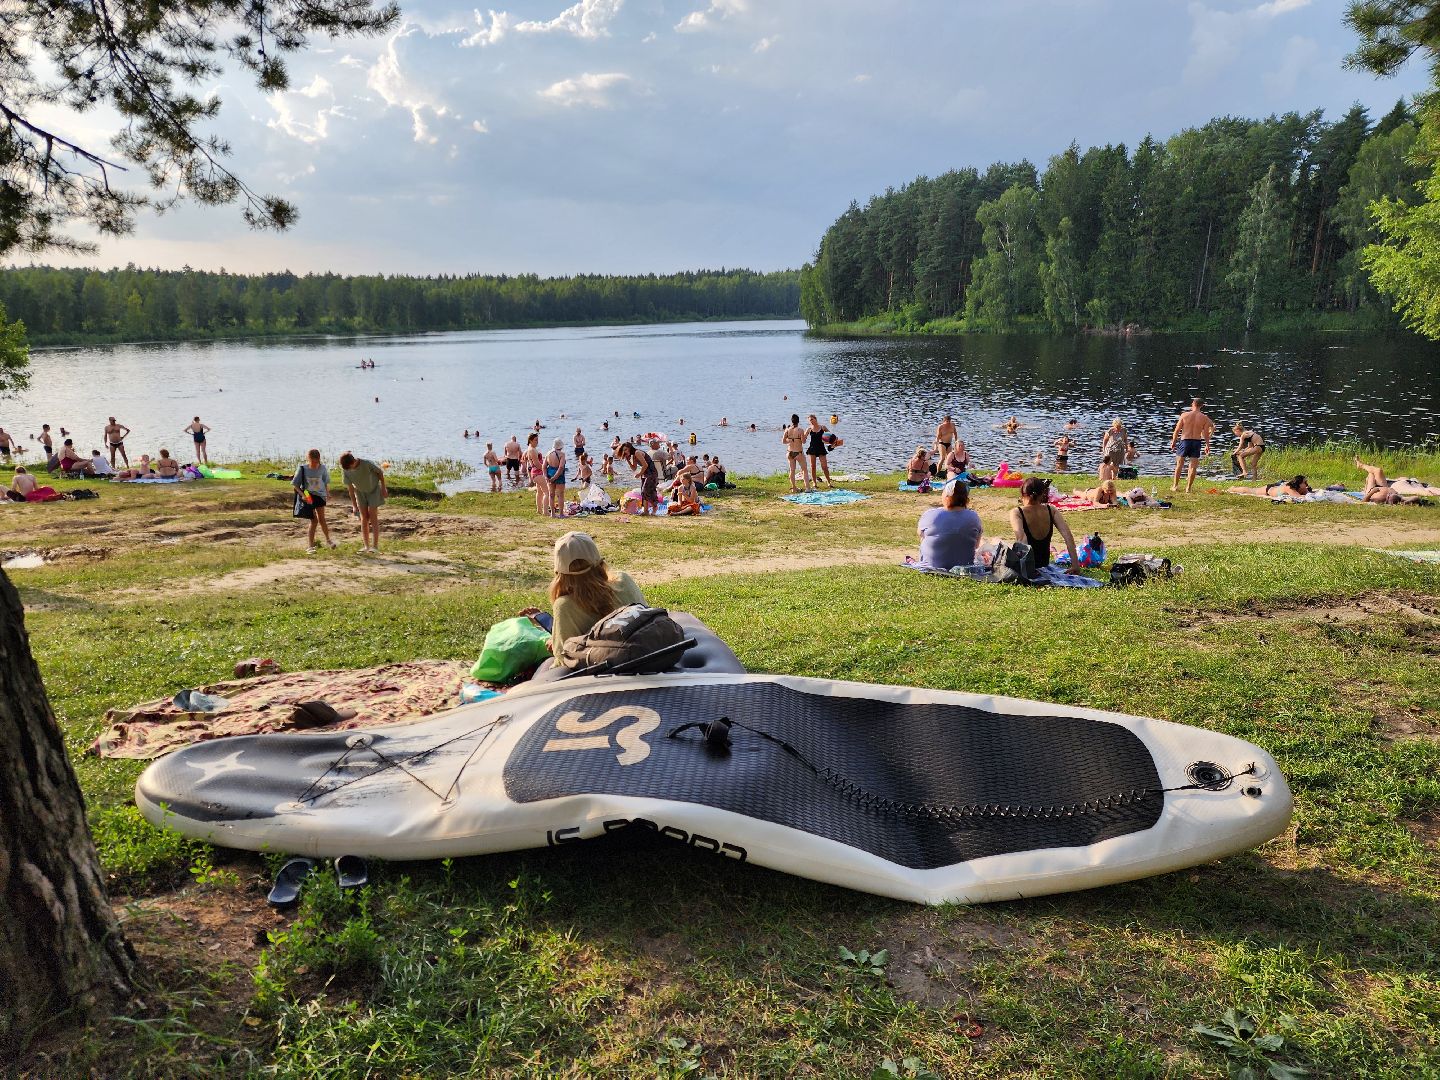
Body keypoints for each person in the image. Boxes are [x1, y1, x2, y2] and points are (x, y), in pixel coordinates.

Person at [538, 532, 646, 664]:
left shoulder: (565, 606)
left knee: (546, 665)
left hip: (609, 671)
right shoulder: (624, 580)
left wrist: (553, 644)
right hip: (648, 653)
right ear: (600, 562)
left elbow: (564, 657)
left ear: (558, 573)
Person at [1009, 477, 1080, 573]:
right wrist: (1075, 566)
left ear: (1022, 494)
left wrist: (1025, 570)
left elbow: (1022, 539)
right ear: (1042, 494)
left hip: (1029, 566)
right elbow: (1068, 536)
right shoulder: (1051, 510)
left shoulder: (1017, 512)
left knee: (995, 542)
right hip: (1044, 563)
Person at [916, 479, 983, 569]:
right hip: (964, 566)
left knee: (925, 536)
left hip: (932, 565)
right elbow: (976, 545)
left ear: (946, 496)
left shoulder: (930, 514)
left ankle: (930, 558)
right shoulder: (973, 517)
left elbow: (920, 534)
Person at [340, 451, 387, 553]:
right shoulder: (346, 470)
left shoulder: (366, 463)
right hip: (360, 493)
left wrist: (383, 488)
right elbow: (351, 489)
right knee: (364, 518)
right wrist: (354, 505)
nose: (349, 470)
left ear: (353, 462)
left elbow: (380, 473)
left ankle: (375, 547)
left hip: (373, 490)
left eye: (350, 467)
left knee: (372, 515)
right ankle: (366, 546)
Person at [293, 449, 337, 552]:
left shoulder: (322, 468)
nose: (315, 463)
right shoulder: (302, 468)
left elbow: (325, 482)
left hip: (320, 495)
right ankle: (310, 546)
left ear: (319, 459)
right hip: (308, 494)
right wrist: (303, 495)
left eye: (316, 461)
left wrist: (328, 493)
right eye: (313, 461)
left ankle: (328, 541)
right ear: (308, 459)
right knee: (314, 520)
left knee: (322, 519)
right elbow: (295, 485)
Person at [1169, 397, 1214, 492]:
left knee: (1179, 464)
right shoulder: (1204, 418)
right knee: (1193, 466)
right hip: (1196, 442)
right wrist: (1207, 445)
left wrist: (1173, 441)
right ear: (1202, 406)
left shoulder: (1184, 415)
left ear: (1193, 404)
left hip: (1185, 441)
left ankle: (1175, 486)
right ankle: (1188, 488)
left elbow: (1177, 430)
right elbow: (1205, 433)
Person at [617, 441, 660, 515]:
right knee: (643, 492)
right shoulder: (634, 456)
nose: (624, 452)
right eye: (624, 450)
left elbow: (645, 465)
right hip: (645, 474)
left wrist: (640, 473)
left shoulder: (637, 453)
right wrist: (628, 460)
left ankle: (655, 507)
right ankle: (646, 511)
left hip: (651, 473)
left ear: (630, 448)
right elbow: (634, 468)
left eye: (626, 450)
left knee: (646, 491)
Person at [521, 433, 548, 515]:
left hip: (535, 473)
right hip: (538, 473)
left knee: (539, 492)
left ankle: (539, 510)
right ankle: (545, 512)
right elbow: (536, 464)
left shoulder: (529, 449)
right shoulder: (532, 450)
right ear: (530, 440)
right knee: (547, 492)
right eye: (535, 440)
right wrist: (546, 469)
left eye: (537, 440)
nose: (537, 442)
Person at [782, 414, 809, 492]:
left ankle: (794, 488)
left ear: (791, 421)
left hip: (789, 452)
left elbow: (783, 441)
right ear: (798, 421)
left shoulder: (787, 430)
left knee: (792, 470)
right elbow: (803, 442)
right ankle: (807, 488)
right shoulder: (800, 430)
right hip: (798, 453)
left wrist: (789, 440)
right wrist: (806, 434)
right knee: (804, 470)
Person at [806, 414, 833, 488]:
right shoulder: (809, 429)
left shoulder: (822, 427)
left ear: (815, 419)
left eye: (812, 419)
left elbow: (830, 436)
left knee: (824, 467)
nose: (811, 421)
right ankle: (814, 483)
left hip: (821, 448)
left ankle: (829, 482)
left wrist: (832, 442)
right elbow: (804, 439)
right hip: (812, 449)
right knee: (813, 467)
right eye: (809, 420)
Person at [546, 439, 568, 518]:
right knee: (560, 495)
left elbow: (544, 466)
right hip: (559, 475)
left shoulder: (548, 453)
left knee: (551, 495)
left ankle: (552, 514)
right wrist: (555, 477)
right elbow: (561, 467)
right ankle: (561, 514)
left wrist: (546, 476)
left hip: (549, 474)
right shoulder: (562, 454)